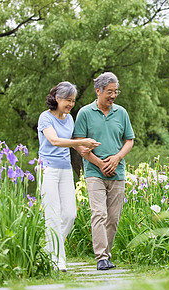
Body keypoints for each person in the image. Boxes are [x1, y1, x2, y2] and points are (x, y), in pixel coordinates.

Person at [73, 72, 134, 270]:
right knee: (98, 213)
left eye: (116, 92)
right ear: (98, 91)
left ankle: (107, 255)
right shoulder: (84, 113)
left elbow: (129, 140)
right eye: (110, 92)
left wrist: (117, 158)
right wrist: (100, 163)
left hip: (118, 172)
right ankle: (101, 258)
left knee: (113, 217)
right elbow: (79, 145)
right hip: (94, 171)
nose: (113, 95)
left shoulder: (122, 113)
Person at [38, 81, 100, 272]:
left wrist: (89, 150)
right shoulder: (45, 118)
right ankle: (58, 261)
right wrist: (82, 140)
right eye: (68, 100)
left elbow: (73, 144)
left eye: (73, 101)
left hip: (65, 169)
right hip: (47, 169)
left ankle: (50, 250)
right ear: (57, 99)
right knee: (53, 215)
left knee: (70, 215)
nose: (71, 104)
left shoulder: (69, 118)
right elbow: (55, 141)